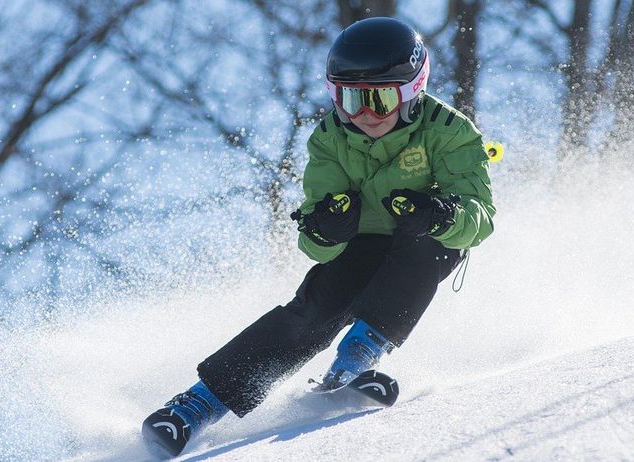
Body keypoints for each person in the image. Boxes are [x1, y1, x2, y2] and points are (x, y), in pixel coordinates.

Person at [141, 16, 496, 457]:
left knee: (429, 246)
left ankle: (355, 359)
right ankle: (196, 406)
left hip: (421, 239)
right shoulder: (330, 138)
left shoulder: (450, 131)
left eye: (380, 99)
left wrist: (442, 215)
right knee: (315, 309)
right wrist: (325, 229)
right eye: (349, 99)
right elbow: (313, 242)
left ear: (411, 92)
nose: (364, 114)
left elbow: (480, 218)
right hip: (361, 244)